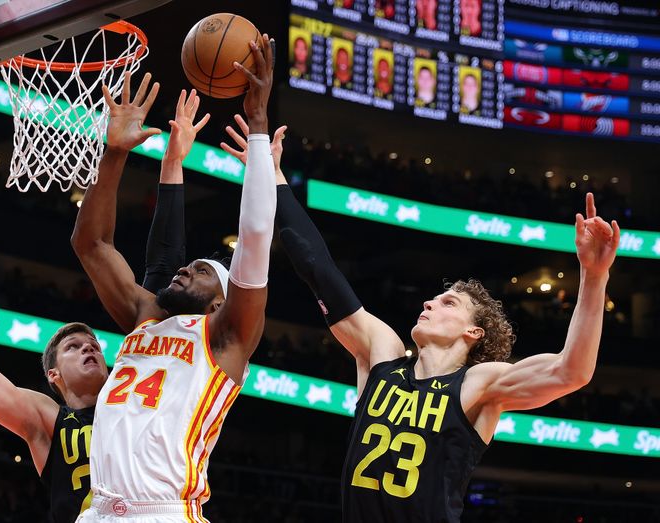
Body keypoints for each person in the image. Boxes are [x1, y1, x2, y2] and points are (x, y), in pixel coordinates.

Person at [221, 122, 620, 522]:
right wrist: (272, 177)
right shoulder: (384, 355)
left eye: (449, 303)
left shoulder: (478, 383)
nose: (429, 303)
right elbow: (318, 268)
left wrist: (594, 276)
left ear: (473, 332)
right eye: (434, 298)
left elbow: (572, 371)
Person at [0, 82, 202, 522]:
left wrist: (171, 164)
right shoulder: (46, 420)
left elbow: (162, 277)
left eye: (92, 344)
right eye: (73, 347)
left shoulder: (129, 396)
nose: (89, 347)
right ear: (53, 376)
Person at [70, 35, 277, 522]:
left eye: (202, 271)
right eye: (190, 265)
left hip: (164, 511)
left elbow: (255, 238)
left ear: (219, 302)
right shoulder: (144, 316)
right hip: (97, 512)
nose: (185, 268)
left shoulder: (225, 337)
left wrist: (260, 124)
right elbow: (91, 244)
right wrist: (115, 153)